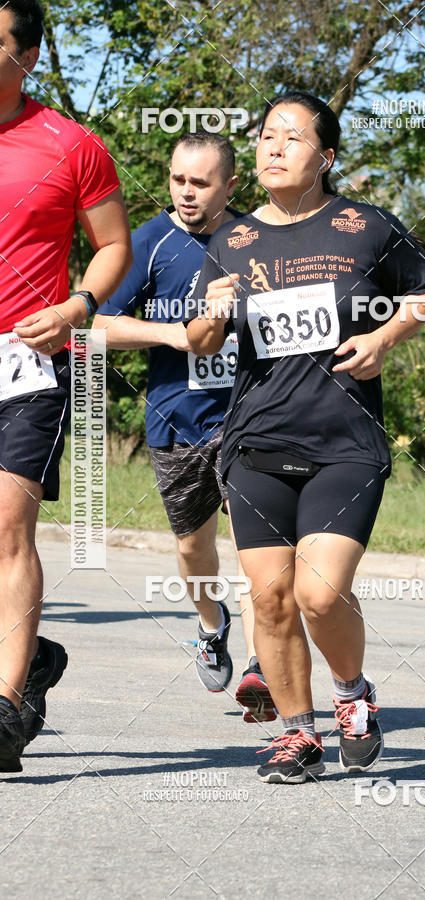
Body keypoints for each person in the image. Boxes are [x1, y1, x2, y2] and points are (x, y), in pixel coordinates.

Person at [186, 91, 425, 783]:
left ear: (326, 157)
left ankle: (353, 697)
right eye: (267, 136)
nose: (273, 147)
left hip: (344, 440)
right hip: (256, 443)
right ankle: (297, 734)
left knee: (320, 593)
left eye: (292, 138)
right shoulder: (231, 241)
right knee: (269, 597)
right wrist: (211, 314)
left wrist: (387, 335)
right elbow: (202, 340)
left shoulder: (364, 226)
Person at [93, 132, 275, 723]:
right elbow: (96, 325)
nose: (187, 192)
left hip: (252, 417)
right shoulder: (149, 241)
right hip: (178, 421)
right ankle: (210, 624)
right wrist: (180, 334)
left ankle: (260, 668)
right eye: (179, 180)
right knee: (194, 547)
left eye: (201, 182)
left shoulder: (257, 239)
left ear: (232, 185)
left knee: (260, 551)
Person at [0, 0, 132, 773]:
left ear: (28, 57)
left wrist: (79, 305)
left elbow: (112, 245)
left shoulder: (72, 146)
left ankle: (8, 704)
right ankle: (37, 654)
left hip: (27, 358)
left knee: (8, 528)